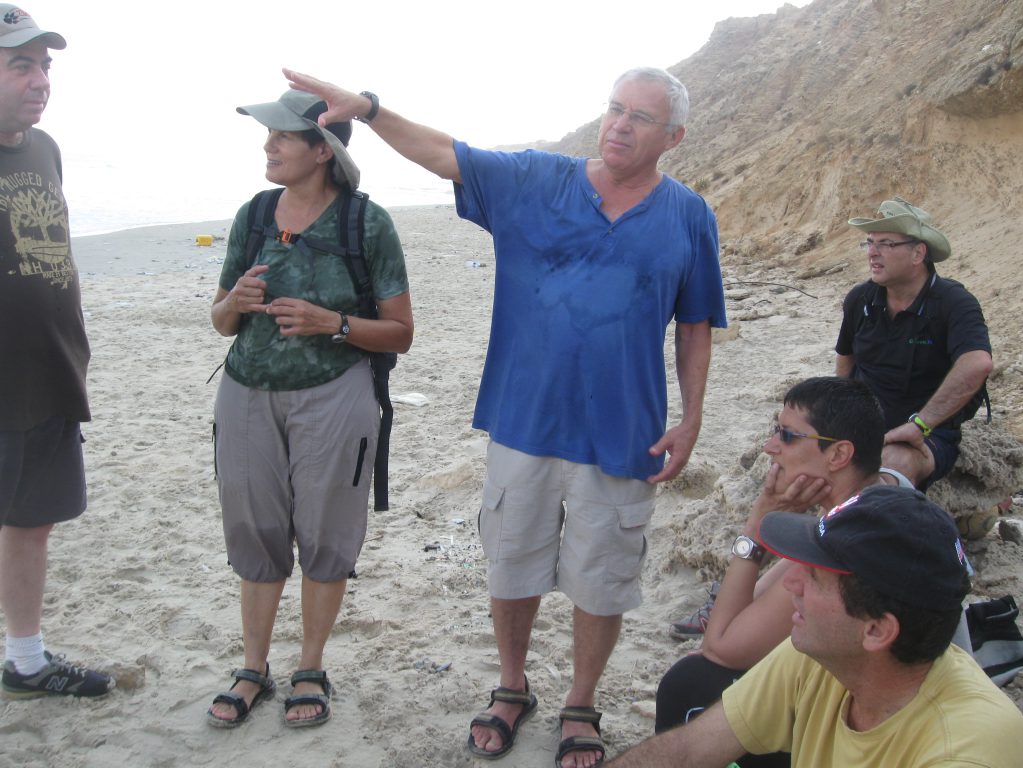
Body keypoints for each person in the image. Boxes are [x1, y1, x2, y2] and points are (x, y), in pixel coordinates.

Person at [284, 67, 727, 766]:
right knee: (513, 564)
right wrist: (368, 110)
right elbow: (444, 155)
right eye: (614, 108)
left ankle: (581, 700)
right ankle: (512, 686)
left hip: (624, 431)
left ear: (673, 136)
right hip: (523, 419)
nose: (620, 124)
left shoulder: (688, 215)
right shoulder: (535, 181)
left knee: (602, 576)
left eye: (640, 118)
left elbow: (696, 321)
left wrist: (692, 416)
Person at [206, 89, 412, 728]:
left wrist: (333, 323)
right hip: (245, 393)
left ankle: (311, 666)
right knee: (254, 531)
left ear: (322, 150)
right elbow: (219, 322)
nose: (268, 145)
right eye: (268, 136)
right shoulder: (254, 213)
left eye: (282, 136)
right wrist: (236, 300)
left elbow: (401, 332)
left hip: (334, 395)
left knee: (325, 533)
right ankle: (254, 667)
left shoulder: (365, 223)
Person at [606, 485, 1023, 767]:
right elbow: (689, 748)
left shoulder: (966, 750)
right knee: (689, 683)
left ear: (876, 631)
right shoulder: (825, 657)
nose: (790, 583)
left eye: (815, 577)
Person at [658, 376, 893, 767]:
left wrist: (755, 529)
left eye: (787, 436)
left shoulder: (851, 535)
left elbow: (720, 647)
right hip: (877, 706)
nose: (770, 446)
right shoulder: (876, 497)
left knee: (690, 684)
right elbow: (749, 609)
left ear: (838, 455)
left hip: (878, 737)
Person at [0, 5, 114, 700]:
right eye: (21, 64)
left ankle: (27, 660)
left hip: (47, 378)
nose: (40, 79)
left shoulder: (45, 151)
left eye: (45, 66)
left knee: (30, 523)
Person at [835, 197, 992, 491]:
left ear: (918, 252)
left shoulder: (953, 303)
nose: (872, 252)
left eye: (886, 243)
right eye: (869, 243)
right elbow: (846, 359)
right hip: (862, 424)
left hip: (926, 434)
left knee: (882, 478)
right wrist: (839, 414)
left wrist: (921, 424)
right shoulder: (861, 299)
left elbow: (977, 363)